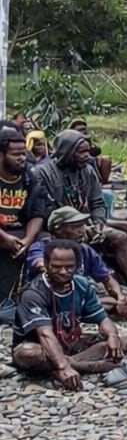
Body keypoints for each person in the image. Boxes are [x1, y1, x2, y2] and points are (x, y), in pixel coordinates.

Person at [12, 240, 127, 390]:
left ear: (77, 266)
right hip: (42, 347)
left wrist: (112, 336)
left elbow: (102, 318)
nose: (64, 272)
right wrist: (64, 367)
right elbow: (45, 335)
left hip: (71, 344)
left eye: (69, 267)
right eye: (57, 267)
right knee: (27, 354)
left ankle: (71, 365)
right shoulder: (34, 293)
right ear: (46, 264)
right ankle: (91, 366)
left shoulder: (81, 284)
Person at [32, 129, 127, 288]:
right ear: (67, 152)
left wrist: (97, 224)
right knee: (47, 239)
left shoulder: (87, 170)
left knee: (120, 235)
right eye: (81, 152)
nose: (86, 156)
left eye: (87, 151)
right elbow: (43, 210)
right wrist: (77, 226)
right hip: (55, 226)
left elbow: (97, 202)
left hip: (84, 222)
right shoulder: (41, 173)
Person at [27, 207, 127, 320]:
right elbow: (39, 264)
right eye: (75, 226)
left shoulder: (85, 250)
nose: (82, 230)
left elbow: (106, 278)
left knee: (116, 302)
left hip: (76, 297)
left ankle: (84, 312)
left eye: (82, 225)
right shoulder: (41, 247)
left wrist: (120, 297)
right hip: (49, 297)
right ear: (58, 229)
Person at [0, 129, 46, 322]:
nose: (22, 158)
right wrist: (4, 237)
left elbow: (37, 213)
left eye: (23, 154)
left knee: (46, 242)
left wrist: (27, 240)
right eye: (15, 154)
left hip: (19, 232)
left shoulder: (29, 178)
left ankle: (36, 298)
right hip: (3, 234)